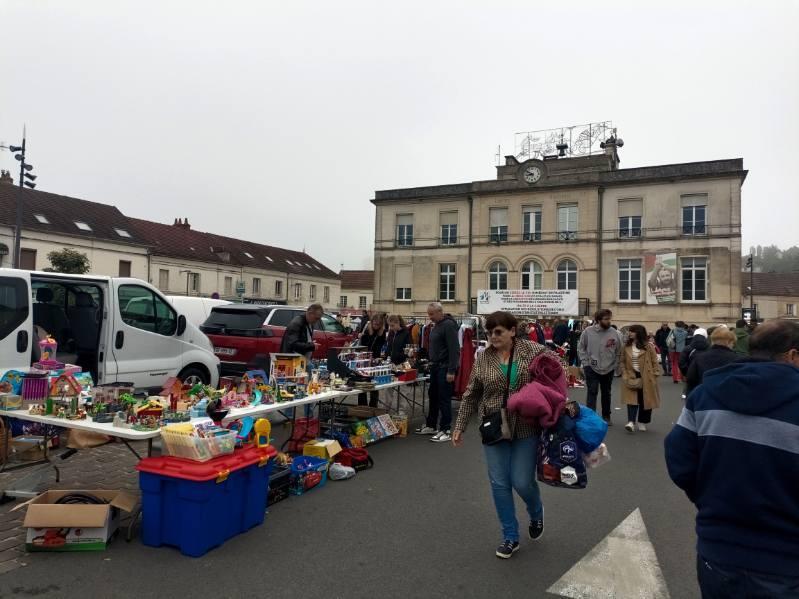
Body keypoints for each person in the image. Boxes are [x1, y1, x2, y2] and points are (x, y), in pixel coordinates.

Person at [664, 320, 799, 597]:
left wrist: (709, 498)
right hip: (786, 557)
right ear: (793, 356)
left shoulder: (705, 394)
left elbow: (678, 459)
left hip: (718, 548)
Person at [452, 311, 548, 559]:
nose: (493, 337)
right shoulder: (483, 357)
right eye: (489, 332)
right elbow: (472, 393)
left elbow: (554, 375)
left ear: (512, 331)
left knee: (522, 481)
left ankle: (536, 511)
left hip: (526, 426)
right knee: (499, 483)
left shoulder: (533, 351)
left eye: (498, 332)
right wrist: (459, 425)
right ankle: (510, 536)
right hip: (493, 426)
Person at [415, 302, 460, 442]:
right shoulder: (437, 326)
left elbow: (454, 349)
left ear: (440, 312)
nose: (430, 317)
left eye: (432, 314)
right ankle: (431, 425)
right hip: (435, 366)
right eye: (428, 314)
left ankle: (445, 429)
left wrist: (451, 370)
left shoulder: (448, 325)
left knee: (444, 398)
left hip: (445, 367)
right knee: (433, 396)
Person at [578, 309, 623, 425]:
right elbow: (581, 348)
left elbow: (619, 350)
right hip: (591, 367)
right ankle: (590, 417)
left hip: (609, 367)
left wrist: (616, 364)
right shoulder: (587, 332)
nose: (609, 321)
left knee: (606, 392)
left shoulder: (615, 333)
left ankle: (606, 416)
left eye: (609, 319)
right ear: (598, 320)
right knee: (592, 391)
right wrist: (585, 363)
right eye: (606, 319)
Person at [620, 325, 661, 433]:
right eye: (630, 331)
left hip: (646, 376)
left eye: (632, 331)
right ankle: (631, 422)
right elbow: (622, 361)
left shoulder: (648, 346)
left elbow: (654, 361)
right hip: (631, 375)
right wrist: (624, 373)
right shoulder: (626, 346)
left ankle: (642, 421)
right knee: (632, 400)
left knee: (645, 400)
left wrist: (655, 374)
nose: (630, 333)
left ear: (639, 333)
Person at [684, 326, 739, 397]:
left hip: (704, 398)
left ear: (712, 341)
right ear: (729, 342)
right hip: (728, 399)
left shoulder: (699, 358)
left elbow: (691, 379)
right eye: (733, 343)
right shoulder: (738, 359)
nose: (733, 346)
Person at [357, 313, 387, 408]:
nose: (376, 326)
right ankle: (363, 407)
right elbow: (363, 344)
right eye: (375, 324)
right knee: (362, 383)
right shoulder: (366, 329)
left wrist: (378, 357)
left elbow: (380, 346)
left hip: (375, 360)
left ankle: (373, 407)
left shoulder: (382, 333)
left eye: (378, 325)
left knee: (374, 385)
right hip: (364, 360)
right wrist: (361, 335)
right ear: (372, 322)